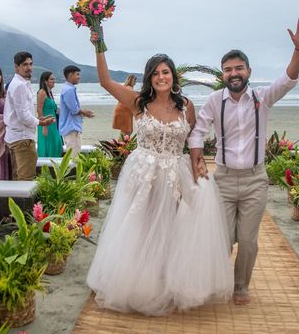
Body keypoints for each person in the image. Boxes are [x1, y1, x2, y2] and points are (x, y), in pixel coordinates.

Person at [86, 31, 232, 316]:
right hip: (142, 173)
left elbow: (194, 140)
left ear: (173, 76)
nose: (161, 77)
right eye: (156, 73)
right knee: (140, 227)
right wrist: (98, 45)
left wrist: (198, 165)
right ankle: (138, 285)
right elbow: (104, 81)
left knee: (172, 228)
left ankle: (167, 284)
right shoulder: (138, 101)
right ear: (149, 78)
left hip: (175, 173)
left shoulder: (186, 106)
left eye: (166, 72)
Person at [189, 18, 299, 306]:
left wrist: (298, 50)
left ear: (248, 71)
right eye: (228, 70)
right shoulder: (214, 101)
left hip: (255, 180)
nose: (234, 74)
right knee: (221, 239)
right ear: (222, 75)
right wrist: (197, 160)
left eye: (239, 68)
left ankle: (240, 286)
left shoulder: (262, 97)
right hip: (222, 178)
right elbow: (198, 130)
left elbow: (288, 79)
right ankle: (219, 281)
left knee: (247, 241)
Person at [4, 52, 52, 180]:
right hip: (23, 139)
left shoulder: (21, 83)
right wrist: (41, 123)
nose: (29, 67)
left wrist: (37, 119)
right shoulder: (19, 85)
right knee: (26, 180)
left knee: (18, 178)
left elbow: (22, 113)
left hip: (16, 137)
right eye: (25, 64)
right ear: (16, 67)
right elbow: (23, 116)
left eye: (30, 64)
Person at [58, 65, 94, 158]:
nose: (79, 77)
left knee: (74, 155)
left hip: (71, 127)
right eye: (77, 74)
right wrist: (85, 112)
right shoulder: (69, 90)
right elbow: (74, 110)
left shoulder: (68, 88)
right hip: (71, 127)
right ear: (70, 75)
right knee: (74, 157)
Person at [36, 70, 62, 157]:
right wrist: (44, 125)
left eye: (54, 79)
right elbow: (39, 110)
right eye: (51, 79)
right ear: (45, 81)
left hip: (53, 124)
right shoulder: (42, 92)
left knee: (56, 143)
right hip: (46, 124)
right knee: (47, 145)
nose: (54, 81)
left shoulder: (50, 93)